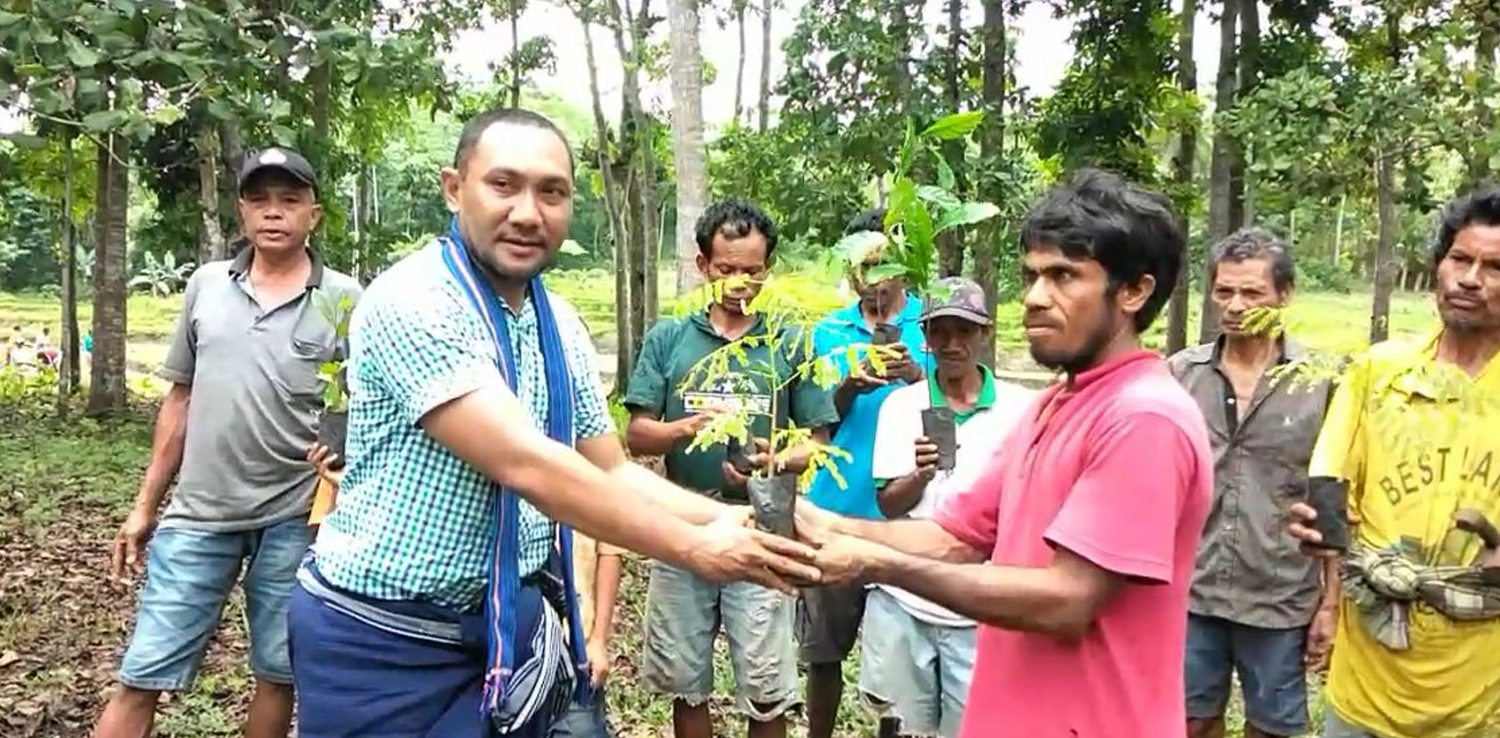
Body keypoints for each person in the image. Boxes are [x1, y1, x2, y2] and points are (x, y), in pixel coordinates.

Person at [286, 109, 819, 738]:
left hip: (509, 622)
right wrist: (698, 547)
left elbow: (610, 466)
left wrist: (732, 519)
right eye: (503, 185)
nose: (528, 212)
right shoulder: (416, 300)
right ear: (454, 188)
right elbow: (527, 463)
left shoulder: (559, 323)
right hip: (387, 636)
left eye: (552, 192)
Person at [794, 169, 1213, 738]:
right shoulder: (1054, 405)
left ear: (1134, 291)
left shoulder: (1143, 418)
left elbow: (1067, 600)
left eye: (1064, 276)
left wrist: (873, 562)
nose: (1037, 298)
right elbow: (955, 538)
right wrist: (821, 524)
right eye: (1033, 276)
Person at [92, 146, 362, 738]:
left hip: (294, 517)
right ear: (241, 211)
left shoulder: (344, 298)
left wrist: (338, 454)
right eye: (260, 200)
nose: (274, 214)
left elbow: (353, 403)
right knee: (143, 669)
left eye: (289, 201)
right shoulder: (206, 286)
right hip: (199, 514)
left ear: (313, 214)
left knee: (278, 672)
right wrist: (144, 508)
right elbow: (180, 400)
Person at [1288, 186, 1500, 738]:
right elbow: (1333, 493)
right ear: (1439, 265)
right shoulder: (1377, 375)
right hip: (1369, 678)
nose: (1470, 279)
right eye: (1460, 259)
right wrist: (1325, 577)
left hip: (1480, 692)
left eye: (1495, 267)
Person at [624, 199, 837, 738]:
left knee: (767, 688)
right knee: (684, 678)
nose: (740, 282)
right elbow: (636, 434)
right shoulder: (670, 339)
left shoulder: (789, 343)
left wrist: (774, 460)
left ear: (769, 269)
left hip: (765, 530)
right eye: (726, 270)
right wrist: (685, 428)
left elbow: (817, 443)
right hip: (684, 530)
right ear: (703, 267)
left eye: (753, 271)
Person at [304, 444, 624, 738]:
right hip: (478, 642)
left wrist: (598, 639)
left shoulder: (575, 430)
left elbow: (611, 542)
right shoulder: (464, 450)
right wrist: (348, 479)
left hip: (570, 642)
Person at [1168, 228, 1338, 738]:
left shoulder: (1321, 383)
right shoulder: (1180, 375)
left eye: (1252, 293)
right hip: (1193, 592)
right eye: (1224, 292)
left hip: (1280, 595)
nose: (1236, 306)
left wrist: (1331, 605)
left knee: (1273, 729)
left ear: (1284, 296)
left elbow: (1331, 495)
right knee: (1190, 721)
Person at [862, 277, 1032, 737]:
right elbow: (888, 505)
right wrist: (918, 474)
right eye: (940, 332)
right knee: (900, 727)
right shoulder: (901, 406)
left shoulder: (1023, 411)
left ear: (986, 334)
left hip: (981, 603)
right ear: (926, 337)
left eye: (965, 331)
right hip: (904, 598)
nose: (952, 344)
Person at [800, 208, 929, 738]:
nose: (873, 278)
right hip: (835, 508)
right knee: (823, 653)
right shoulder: (829, 331)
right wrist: (851, 383)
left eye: (883, 264)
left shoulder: (931, 322)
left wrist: (916, 375)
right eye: (863, 266)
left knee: (897, 664)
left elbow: (955, 404)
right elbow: (813, 416)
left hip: (907, 517)